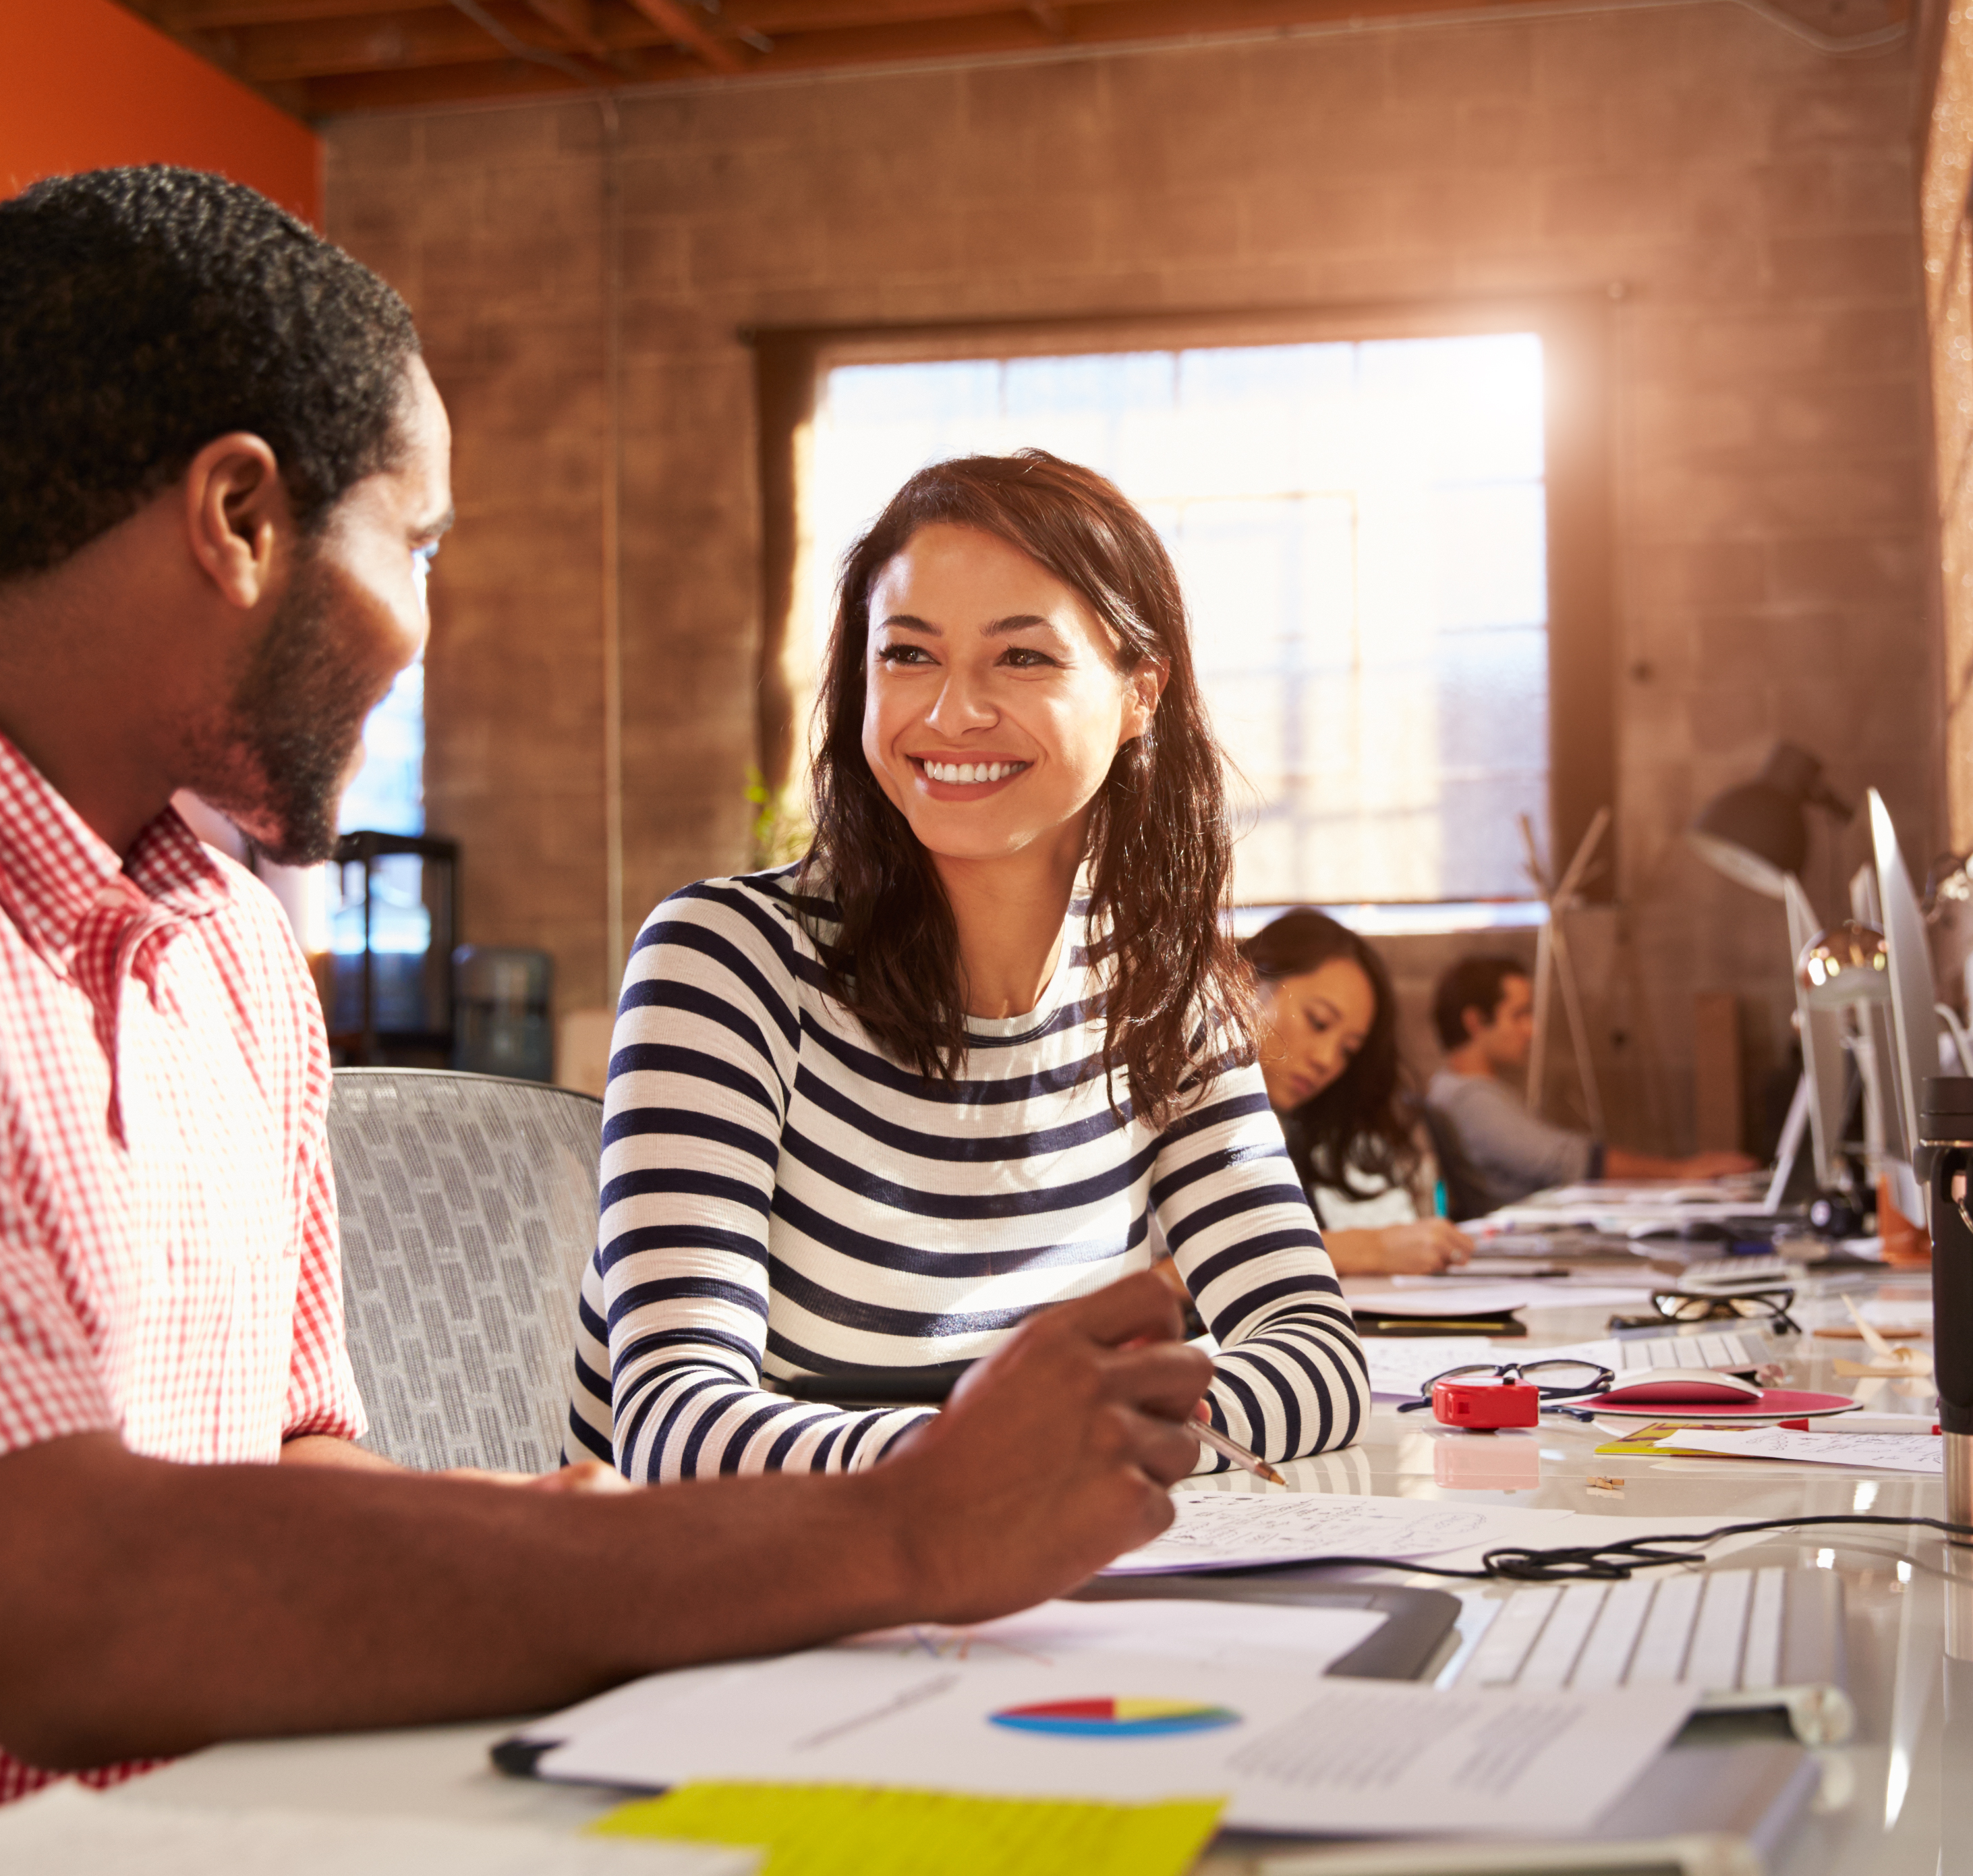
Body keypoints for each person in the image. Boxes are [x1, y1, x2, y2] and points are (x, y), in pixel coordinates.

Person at [0, 173, 1209, 1876]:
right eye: (415, 547)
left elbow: (287, 1467)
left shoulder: (226, 945)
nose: (425, 630)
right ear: (241, 517)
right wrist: (888, 1533)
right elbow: (69, 1608)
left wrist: (581, 1532)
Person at [579, 451, 1367, 1479]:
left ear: (1141, 692)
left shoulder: (1164, 992)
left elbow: (1318, 1357)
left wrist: (1069, 1444)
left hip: (1033, 1601)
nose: (950, 715)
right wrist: (1030, 1447)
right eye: (908, 655)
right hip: (752, 1611)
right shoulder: (726, 963)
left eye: (1022, 659)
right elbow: (676, 1428)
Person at [1242, 909, 1475, 1277]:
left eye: (1348, 1050)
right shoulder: (1169, 1103)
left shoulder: (1287, 1131)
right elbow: (1156, 1280)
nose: (1326, 1061)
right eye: (1318, 1022)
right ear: (1245, 980)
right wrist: (1370, 1249)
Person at [1426, 956, 1761, 1208]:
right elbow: (1565, 1162)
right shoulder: (1471, 1098)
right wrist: (1681, 1173)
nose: (1532, 1030)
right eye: (1519, 1014)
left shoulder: (1451, 1087)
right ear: (1475, 1021)